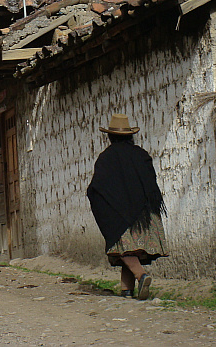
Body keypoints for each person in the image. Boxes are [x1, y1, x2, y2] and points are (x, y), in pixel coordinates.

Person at [87, 114, 168, 300]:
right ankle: (126, 291)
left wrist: (104, 207)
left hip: (121, 216)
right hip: (143, 215)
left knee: (122, 248)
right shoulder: (141, 155)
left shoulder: (105, 159)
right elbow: (150, 183)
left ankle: (141, 276)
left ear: (110, 136)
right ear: (130, 136)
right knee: (129, 251)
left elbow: (97, 188)